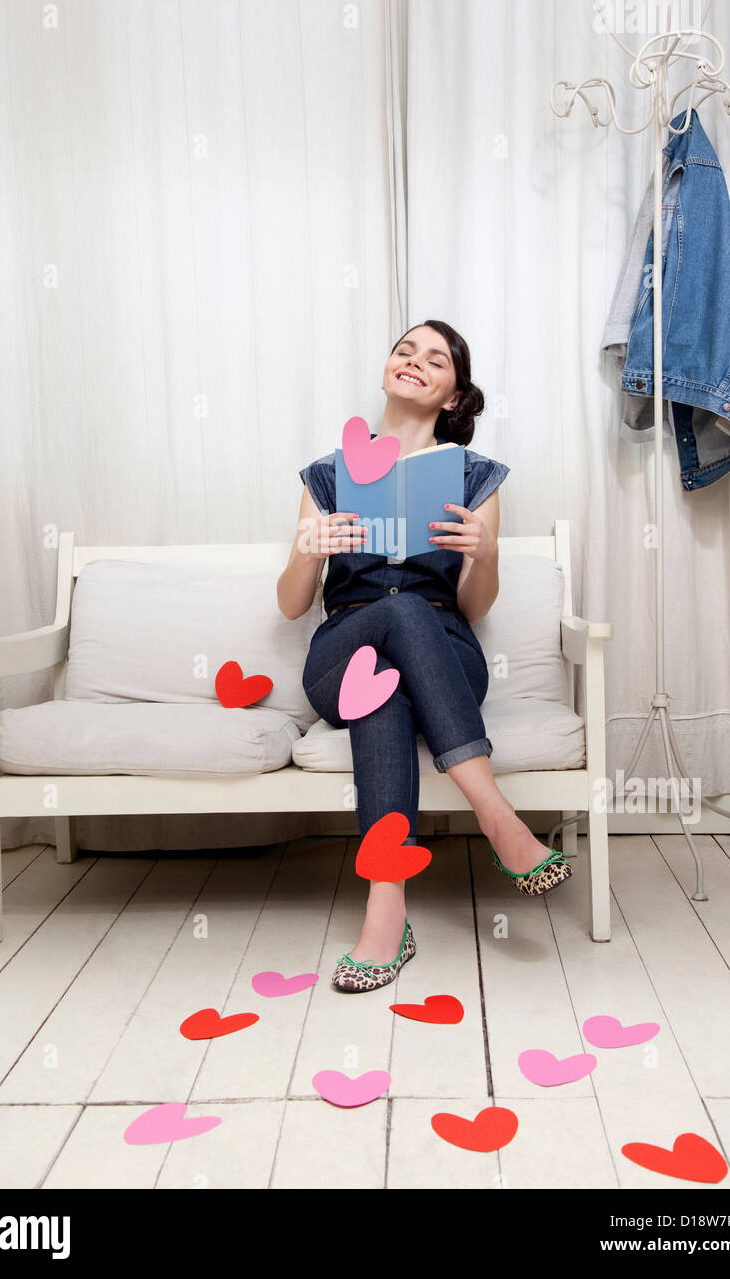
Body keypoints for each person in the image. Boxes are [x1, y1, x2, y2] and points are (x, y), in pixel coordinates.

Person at [276, 321, 570, 992]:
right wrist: (309, 548)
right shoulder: (327, 475)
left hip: (445, 652)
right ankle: (497, 817)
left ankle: (386, 914)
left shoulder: (472, 477)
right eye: (404, 351)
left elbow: (474, 608)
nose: (414, 362)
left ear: (452, 395)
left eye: (434, 360)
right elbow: (293, 605)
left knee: (386, 685)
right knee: (391, 620)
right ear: (387, 369)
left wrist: (484, 555)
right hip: (342, 645)